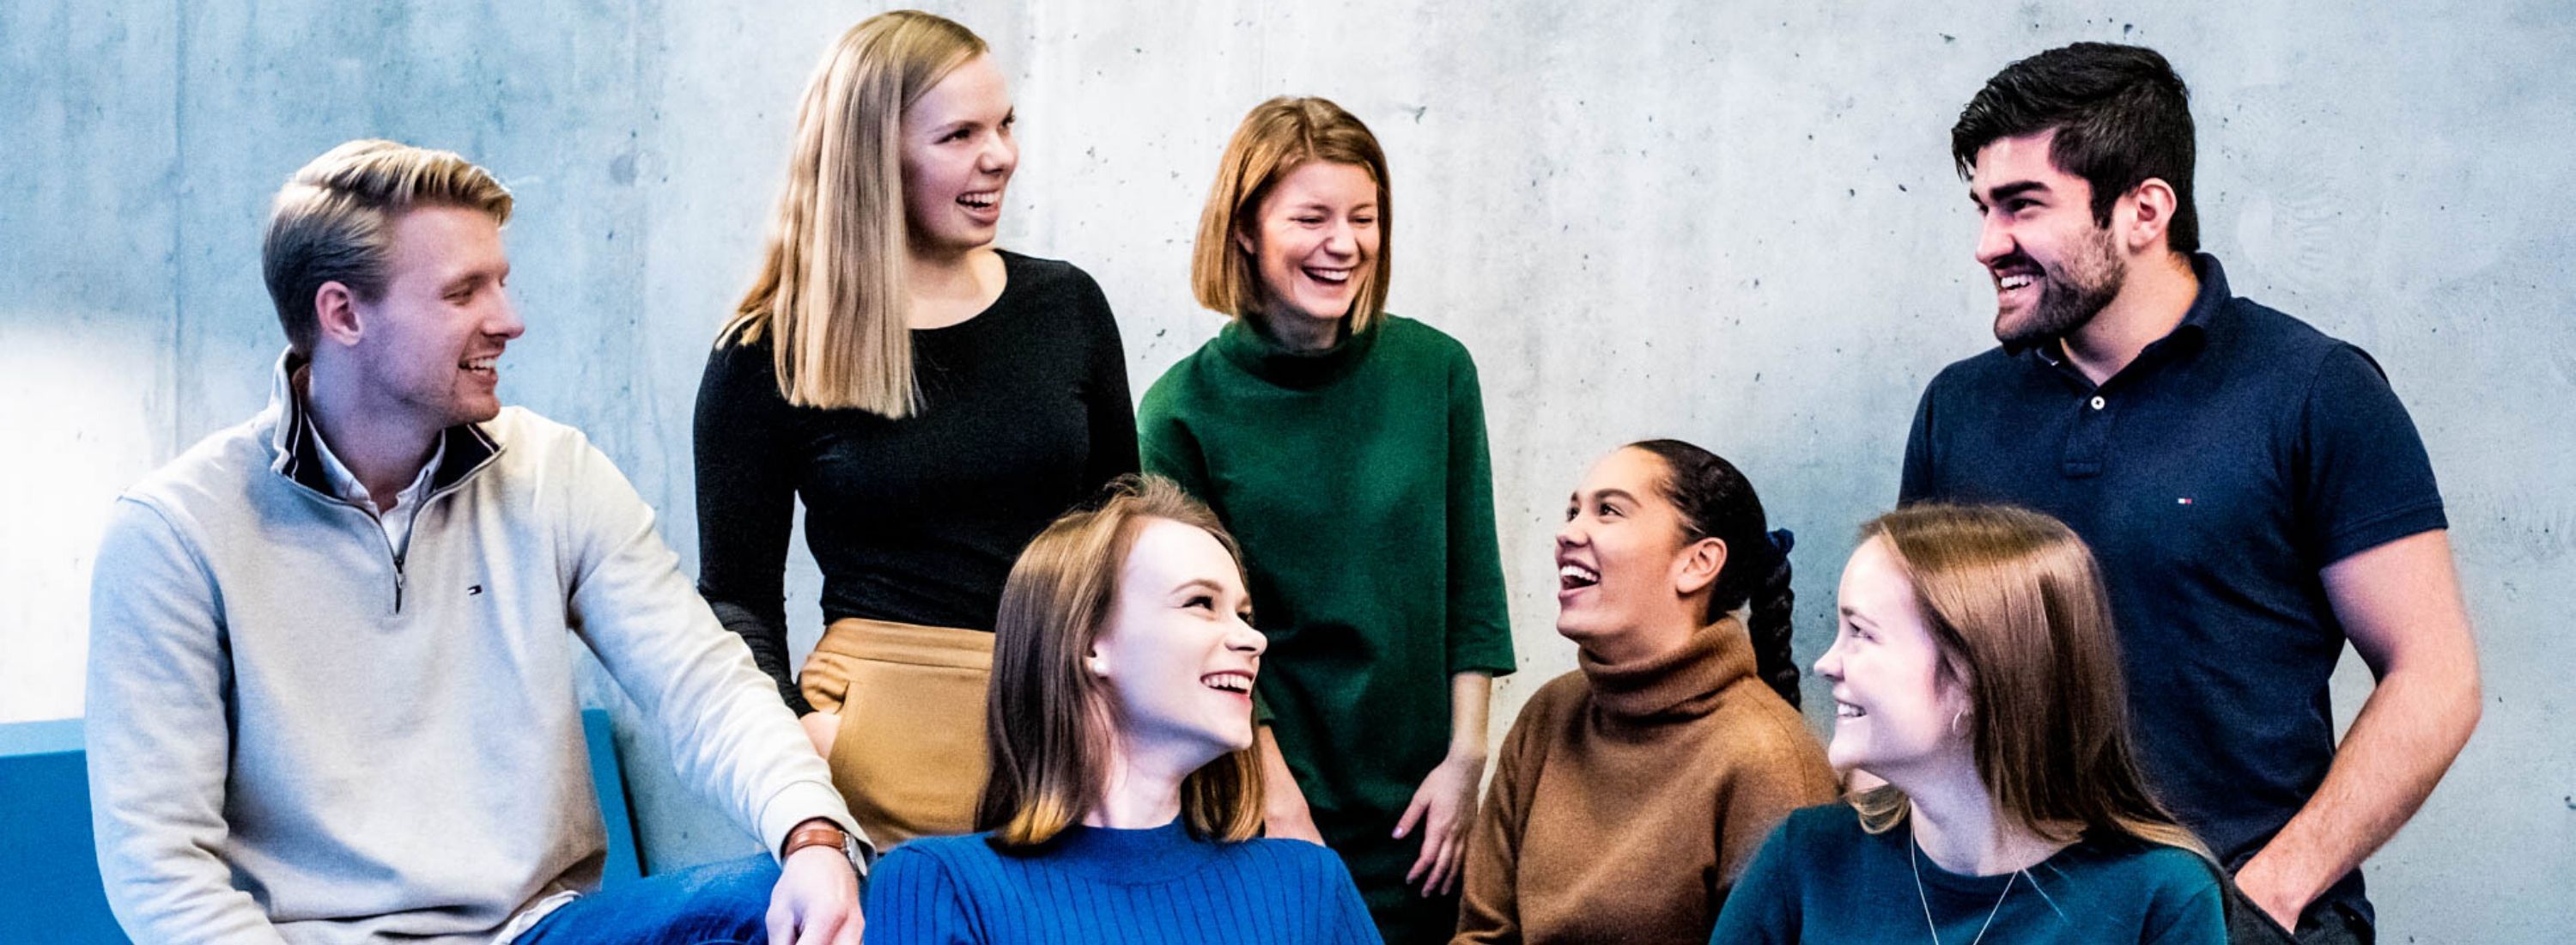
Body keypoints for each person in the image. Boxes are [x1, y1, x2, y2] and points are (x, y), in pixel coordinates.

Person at [84, 139, 866, 944]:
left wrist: (812, 834)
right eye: (464, 292)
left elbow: (705, 688)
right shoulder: (176, 536)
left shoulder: (553, 472)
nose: (510, 320)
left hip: (539, 930)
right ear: (343, 313)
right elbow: (163, 867)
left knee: (870, 895)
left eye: (502, 282)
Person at [1899, 42, 2481, 942]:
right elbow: (1906, 661)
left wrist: (2261, 898)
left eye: (2021, 205)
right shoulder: (1960, 406)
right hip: (1998, 922)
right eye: (1981, 207)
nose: (1987, 244)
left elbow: (2435, 675)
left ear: (2145, 209)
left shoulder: (2314, 390)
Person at [694, 9, 1138, 847]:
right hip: (866, 762)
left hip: (1052, 740)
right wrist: (805, 742)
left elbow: (1123, 547)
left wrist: (1118, 731)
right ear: (873, 156)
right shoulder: (768, 349)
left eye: (1005, 124)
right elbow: (736, 603)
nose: (1000, 154)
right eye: (960, 133)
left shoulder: (1067, 306)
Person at [1137, 94, 1514, 942]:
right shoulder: (1180, 412)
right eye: (1311, 217)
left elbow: (1473, 589)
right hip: (1262, 803)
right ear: (1245, 230)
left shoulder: (1437, 372)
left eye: (1364, 217)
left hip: (1425, 814)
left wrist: (1465, 761)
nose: (1344, 244)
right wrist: (1274, 798)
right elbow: (1196, 636)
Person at [861, 477, 1381, 943]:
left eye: (1244, 614)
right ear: (1088, 642)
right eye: (1201, 602)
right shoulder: (942, 883)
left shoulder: (1309, 884)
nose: (1253, 639)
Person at [1711, 504, 2225, 943]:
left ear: (1974, 677)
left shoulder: (2160, 897)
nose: (1827, 662)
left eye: (1862, 634)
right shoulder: (1806, 858)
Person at [1454, 441, 1835, 943]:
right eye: (1572, 511)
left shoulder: (1769, 759)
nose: (1567, 532)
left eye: (1608, 510)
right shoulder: (1551, 711)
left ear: (1698, 562)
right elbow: (1483, 933)